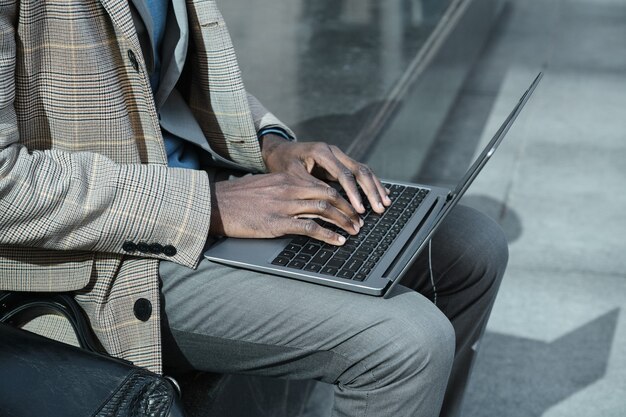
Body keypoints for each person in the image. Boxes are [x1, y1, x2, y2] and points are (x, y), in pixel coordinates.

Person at [0, 1, 508, 416]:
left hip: (199, 185)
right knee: (409, 342)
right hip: (102, 253)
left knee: (471, 248)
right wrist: (211, 204)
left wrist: (269, 144)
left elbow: (167, 72)